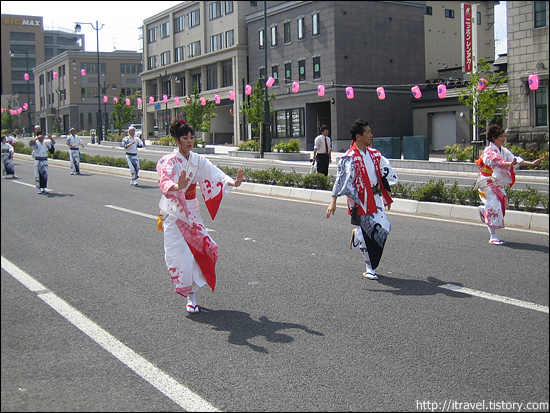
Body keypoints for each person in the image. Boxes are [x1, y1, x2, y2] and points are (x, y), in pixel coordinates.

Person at [156, 119, 244, 313]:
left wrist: (231, 182)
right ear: (176, 140)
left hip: (192, 209)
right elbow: (165, 183)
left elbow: (214, 173)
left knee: (203, 248)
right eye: (185, 137)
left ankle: (192, 292)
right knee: (181, 254)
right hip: (175, 210)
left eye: (192, 137)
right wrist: (178, 186)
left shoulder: (197, 160)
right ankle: (190, 296)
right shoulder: (171, 162)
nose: (190, 141)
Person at [326, 118, 398, 280]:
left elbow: (385, 174)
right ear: (358, 136)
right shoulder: (349, 157)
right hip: (359, 200)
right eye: (368, 132)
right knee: (368, 234)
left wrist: (387, 191)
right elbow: (341, 179)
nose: (371, 135)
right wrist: (333, 201)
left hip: (375, 196)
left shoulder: (374, 154)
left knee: (384, 228)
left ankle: (357, 234)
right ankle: (369, 267)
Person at [475, 124, 543, 245]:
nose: (503, 138)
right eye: (501, 136)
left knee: (502, 204)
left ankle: (483, 209)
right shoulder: (488, 151)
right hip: (485, 182)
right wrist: (508, 163)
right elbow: (496, 160)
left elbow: (515, 160)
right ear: (493, 137)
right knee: (494, 206)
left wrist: (532, 163)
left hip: (495, 182)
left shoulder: (504, 151)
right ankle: (493, 235)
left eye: (504, 136)